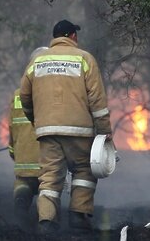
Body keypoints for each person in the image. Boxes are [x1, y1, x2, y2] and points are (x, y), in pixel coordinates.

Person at [19, 19, 112, 234]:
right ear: (72, 36)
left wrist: (37, 120)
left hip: (47, 131)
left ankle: (46, 222)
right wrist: (105, 133)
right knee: (84, 170)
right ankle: (78, 216)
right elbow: (97, 100)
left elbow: (24, 95)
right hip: (80, 131)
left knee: (50, 176)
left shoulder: (37, 61)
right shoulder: (85, 59)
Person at [8, 47, 48, 232]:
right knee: (48, 191)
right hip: (46, 158)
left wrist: (12, 150)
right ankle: (46, 226)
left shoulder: (17, 95)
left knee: (22, 185)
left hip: (22, 158)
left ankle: (21, 203)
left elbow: (12, 127)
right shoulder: (52, 95)